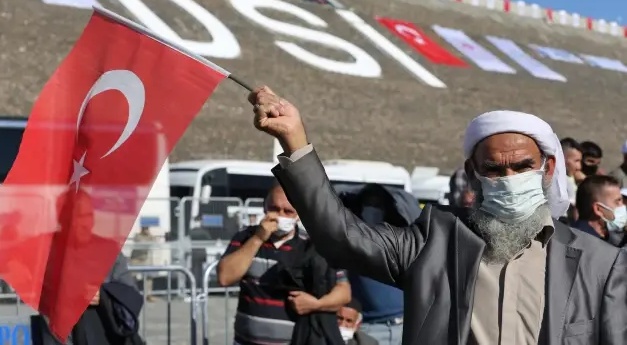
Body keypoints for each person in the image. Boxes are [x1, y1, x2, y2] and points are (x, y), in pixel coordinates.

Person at [248, 85, 627, 345]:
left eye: (522, 167)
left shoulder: (600, 263)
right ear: (473, 173)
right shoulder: (436, 239)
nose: (508, 179)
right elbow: (341, 235)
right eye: (493, 170)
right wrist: (294, 139)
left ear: (547, 169)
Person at [217, 183, 351, 345]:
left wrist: (316, 304)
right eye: (274, 208)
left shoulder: (313, 246)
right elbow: (225, 278)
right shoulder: (245, 237)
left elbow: (344, 292)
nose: (280, 216)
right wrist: (258, 238)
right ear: (265, 207)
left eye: (288, 211)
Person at [335, 184, 420, 345]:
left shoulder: (401, 241)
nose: (373, 209)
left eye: (378, 205)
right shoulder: (354, 241)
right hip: (369, 329)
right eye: (369, 204)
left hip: (404, 326)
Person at [571, 175, 626, 247]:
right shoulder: (585, 244)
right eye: (617, 201)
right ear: (598, 209)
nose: (623, 206)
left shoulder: (606, 237)